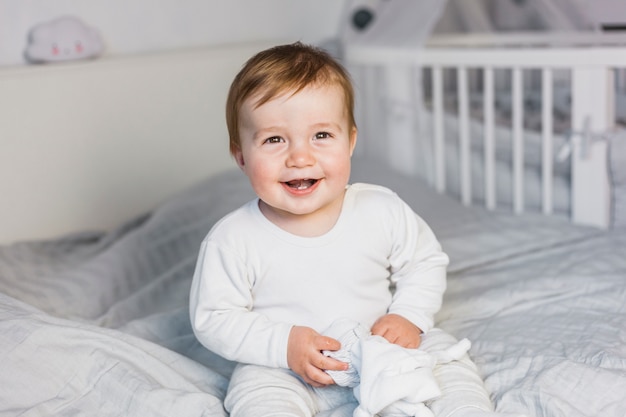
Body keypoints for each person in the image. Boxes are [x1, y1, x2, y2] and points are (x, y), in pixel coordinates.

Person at [189, 42, 494, 417]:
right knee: (256, 390)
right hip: (288, 368)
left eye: (321, 136)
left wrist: (409, 316)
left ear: (350, 141)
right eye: (274, 139)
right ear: (241, 157)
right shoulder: (233, 239)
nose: (300, 157)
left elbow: (424, 261)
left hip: (380, 347)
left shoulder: (380, 209)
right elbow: (215, 318)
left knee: (446, 362)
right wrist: (283, 344)